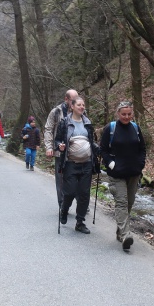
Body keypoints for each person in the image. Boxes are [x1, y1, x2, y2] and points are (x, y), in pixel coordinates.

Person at [99, 101, 147, 252]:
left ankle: (120, 231)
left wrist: (141, 164)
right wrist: (110, 163)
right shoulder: (111, 128)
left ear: (132, 114)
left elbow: (142, 148)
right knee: (121, 202)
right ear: (118, 114)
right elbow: (103, 149)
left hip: (133, 173)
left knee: (129, 203)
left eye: (129, 114)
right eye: (123, 114)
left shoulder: (135, 128)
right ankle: (126, 235)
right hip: (117, 174)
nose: (126, 117)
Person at [55, 96, 99, 234]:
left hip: (87, 163)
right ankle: (64, 209)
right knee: (70, 192)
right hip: (70, 163)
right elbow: (57, 141)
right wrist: (60, 146)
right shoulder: (65, 122)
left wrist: (100, 150)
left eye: (83, 105)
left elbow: (91, 141)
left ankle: (80, 222)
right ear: (72, 106)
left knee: (84, 194)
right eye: (79, 105)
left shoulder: (87, 123)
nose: (82, 107)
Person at [45, 89, 78, 209]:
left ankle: (81, 202)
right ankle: (62, 204)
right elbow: (48, 129)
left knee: (77, 177)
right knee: (61, 179)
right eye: (73, 100)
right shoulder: (56, 112)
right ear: (66, 99)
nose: (75, 102)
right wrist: (49, 147)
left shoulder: (80, 111)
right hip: (60, 151)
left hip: (76, 151)